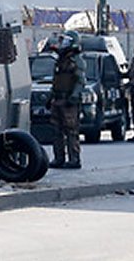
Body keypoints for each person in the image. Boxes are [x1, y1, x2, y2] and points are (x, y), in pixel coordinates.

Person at [49, 30, 86, 169]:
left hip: (69, 101)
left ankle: (74, 159)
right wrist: (50, 97)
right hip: (58, 99)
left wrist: (74, 96)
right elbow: (56, 81)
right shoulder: (60, 60)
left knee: (71, 130)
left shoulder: (76, 61)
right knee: (56, 130)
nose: (62, 43)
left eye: (66, 41)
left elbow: (80, 81)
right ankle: (59, 158)